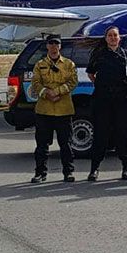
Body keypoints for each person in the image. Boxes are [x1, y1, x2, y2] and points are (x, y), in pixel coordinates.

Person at [85, 26, 127, 181]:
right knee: (100, 134)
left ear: (119, 38)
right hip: (102, 99)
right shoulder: (99, 54)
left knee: (123, 134)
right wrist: (102, 85)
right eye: (110, 35)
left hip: (121, 99)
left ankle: (126, 167)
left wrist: (121, 85)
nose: (113, 38)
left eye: (115, 35)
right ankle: (94, 169)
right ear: (106, 38)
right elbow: (90, 73)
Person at [29, 35, 78, 183]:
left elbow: (73, 81)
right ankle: (40, 173)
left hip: (64, 109)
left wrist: (57, 92)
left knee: (66, 144)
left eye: (56, 43)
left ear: (60, 46)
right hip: (44, 110)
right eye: (51, 43)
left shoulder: (69, 64)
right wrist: (47, 93)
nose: (54, 46)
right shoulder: (40, 65)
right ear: (47, 46)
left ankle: (68, 172)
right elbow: (35, 83)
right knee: (42, 145)